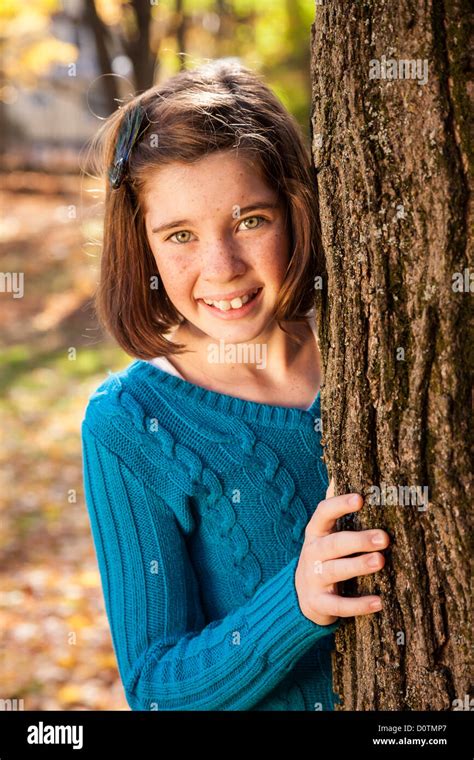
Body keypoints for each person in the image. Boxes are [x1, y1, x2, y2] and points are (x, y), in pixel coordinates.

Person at [81, 59, 390, 711]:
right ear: (142, 246)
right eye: (180, 236)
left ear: (294, 207)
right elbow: (155, 687)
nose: (221, 267)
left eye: (251, 219)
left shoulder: (372, 345)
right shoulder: (130, 424)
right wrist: (296, 602)